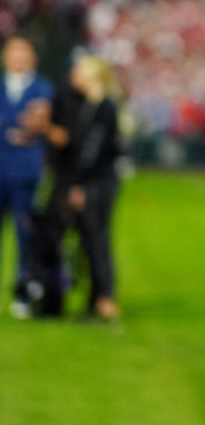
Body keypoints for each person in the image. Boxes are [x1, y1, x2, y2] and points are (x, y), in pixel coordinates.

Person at [36, 55, 124, 320]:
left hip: (97, 183)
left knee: (96, 240)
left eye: (80, 70)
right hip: (92, 181)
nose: (74, 74)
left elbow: (91, 152)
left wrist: (79, 185)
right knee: (89, 241)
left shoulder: (103, 106)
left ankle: (103, 300)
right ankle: (94, 300)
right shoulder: (89, 105)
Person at [0, 35, 54, 318]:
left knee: (26, 236)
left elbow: (37, 121)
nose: (18, 57)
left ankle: (22, 292)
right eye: (13, 51)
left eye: (24, 51)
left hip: (25, 173)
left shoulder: (42, 87)